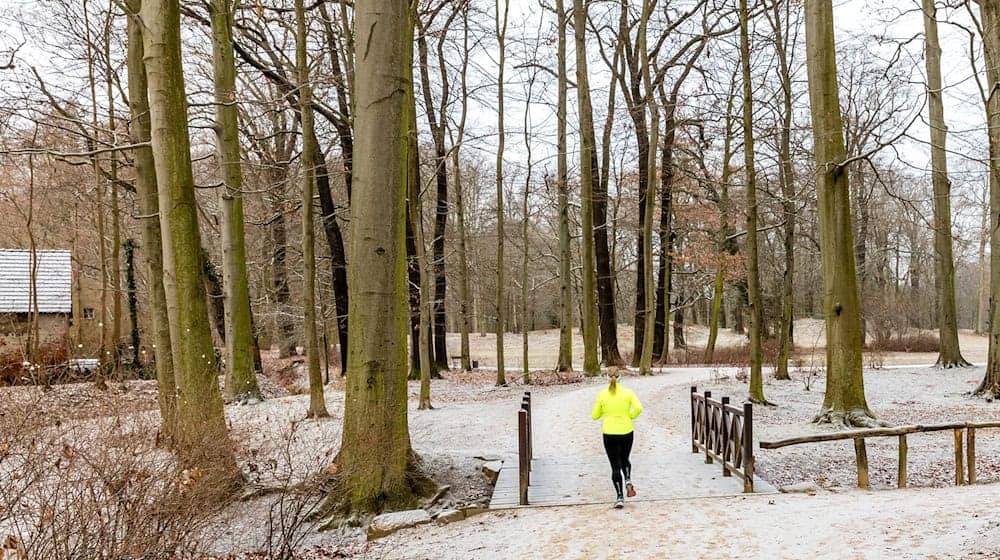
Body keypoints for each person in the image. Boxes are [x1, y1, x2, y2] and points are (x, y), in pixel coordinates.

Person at [591, 368, 643, 508]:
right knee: (625, 458)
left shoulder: (602, 395)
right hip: (627, 430)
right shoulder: (628, 393)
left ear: (607, 378)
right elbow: (639, 408)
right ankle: (627, 479)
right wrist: (629, 417)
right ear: (620, 378)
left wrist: (604, 410)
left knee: (615, 466)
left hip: (609, 432)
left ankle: (620, 496)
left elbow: (594, 416)